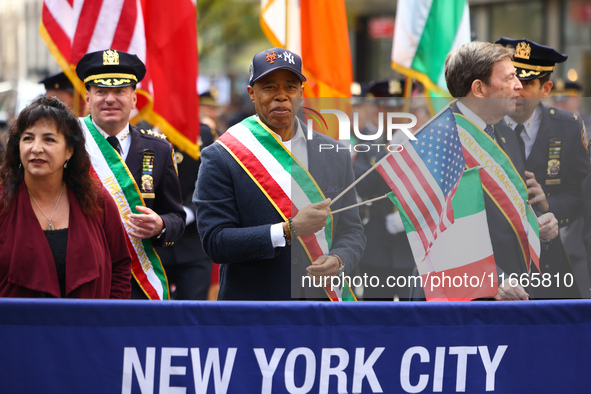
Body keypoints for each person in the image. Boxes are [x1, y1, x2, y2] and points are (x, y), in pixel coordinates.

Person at [194, 47, 365, 300]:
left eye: (290, 87)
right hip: (254, 310)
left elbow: (352, 231)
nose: (281, 96)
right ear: (252, 94)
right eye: (270, 87)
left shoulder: (335, 154)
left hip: (320, 306)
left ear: (301, 94)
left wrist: (339, 260)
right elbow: (215, 242)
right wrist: (288, 230)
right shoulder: (221, 155)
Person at [444, 41, 560, 300]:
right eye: (509, 78)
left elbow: (508, 214)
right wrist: (493, 279)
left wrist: (536, 228)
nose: (519, 85)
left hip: (513, 296)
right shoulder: (438, 141)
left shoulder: (507, 135)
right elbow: (439, 232)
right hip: (459, 300)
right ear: (479, 89)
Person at [75, 49, 186, 299]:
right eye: (101, 91)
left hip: (139, 281)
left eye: (120, 91)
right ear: (88, 97)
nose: (110, 99)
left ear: (134, 98)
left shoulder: (158, 148)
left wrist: (161, 226)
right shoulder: (69, 143)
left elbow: (176, 216)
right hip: (83, 275)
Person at [0, 96, 131, 298]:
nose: (36, 148)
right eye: (28, 138)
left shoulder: (97, 200)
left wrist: (107, 320)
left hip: (87, 326)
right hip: (15, 327)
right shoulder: (3, 201)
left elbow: (120, 266)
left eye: (49, 139)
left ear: (69, 150)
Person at [496, 37, 590, 298]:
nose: (516, 89)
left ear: (545, 88)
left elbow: (581, 194)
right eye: (511, 80)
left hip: (549, 268)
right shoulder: (484, 127)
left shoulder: (568, 127)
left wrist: (550, 206)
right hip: (498, 267)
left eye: (526, 84)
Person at [352, 80, 415, 300]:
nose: (394, 114)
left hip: (411, 242)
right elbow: (362, 185)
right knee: (376, 312)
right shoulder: (367, 145)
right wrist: (385, 155)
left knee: (414, 315)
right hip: (377, 242)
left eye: (399, 108)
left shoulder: (420, 143)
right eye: (387, 109)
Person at [157, 123, 214, 300]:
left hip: (193, 244)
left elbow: (211, 181)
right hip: (153, 244)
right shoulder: (139, 128)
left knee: (193, 315)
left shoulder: (203, 133)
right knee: (150, 317)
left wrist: (187, 213)